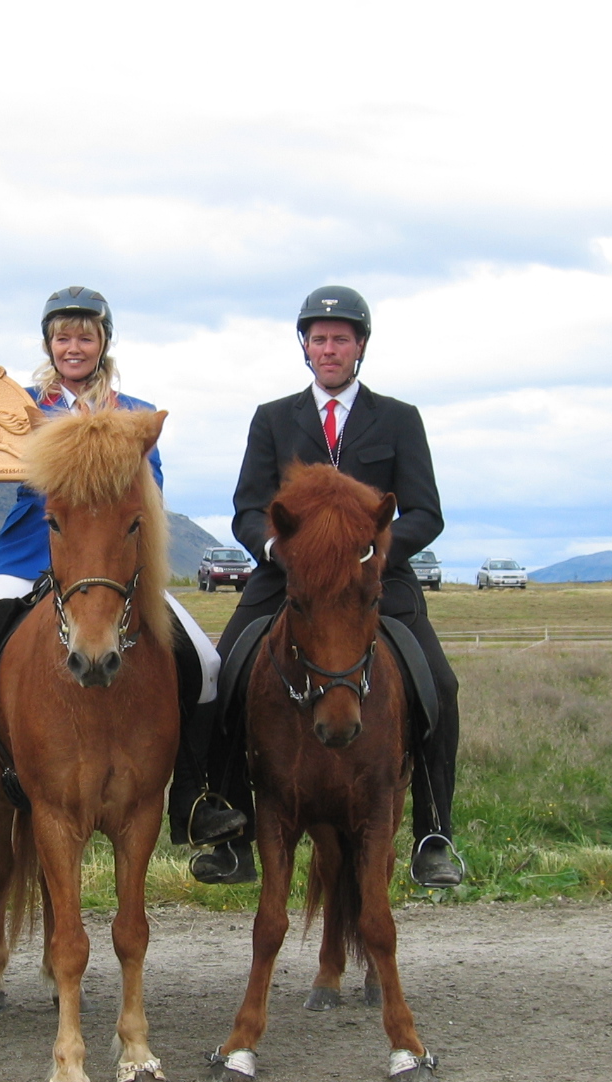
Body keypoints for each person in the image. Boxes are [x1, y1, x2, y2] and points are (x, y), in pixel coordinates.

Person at [0, 286, 240, 863]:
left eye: (85, 337)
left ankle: (193, 797)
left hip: (112, 565)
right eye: (62, 337)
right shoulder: (19, 407)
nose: (73, 347)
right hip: (29, 554)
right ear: (49, 344)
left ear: (103, 343)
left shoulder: (135, 414)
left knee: (207, 663)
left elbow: (149, 492)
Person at [194, 285, 463, 888]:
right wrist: (278, 552)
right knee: (220, 675)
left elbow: (426, 512)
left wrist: (375, 551)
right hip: (288, 581)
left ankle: (434, 834)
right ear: (305, 347)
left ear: (360, 346)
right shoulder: (272, 418)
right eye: (319, 339)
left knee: (440, 685)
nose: (329, 349)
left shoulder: (399, 418)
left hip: (374, 581)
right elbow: (247, 509)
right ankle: (229, 829)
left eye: (341, 339)